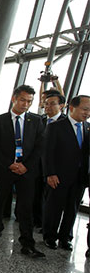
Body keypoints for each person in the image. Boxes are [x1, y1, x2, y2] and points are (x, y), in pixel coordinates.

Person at [0, 85, 45, 258]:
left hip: (26, 170)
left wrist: (25, 165)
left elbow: (40, 146)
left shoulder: (35, 121)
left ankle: (27, 241)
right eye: (23, 100)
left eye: (30, 101)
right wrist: (9, 164)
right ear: (14, 99)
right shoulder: (0, 120)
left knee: (26, 206)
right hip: (5, 169)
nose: (26, 104)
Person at [42, 95, 90, 251]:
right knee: (54, 207)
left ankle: (65, 238)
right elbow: (47, 153)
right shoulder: (56, 127)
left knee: (72, 208)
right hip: (58, 176)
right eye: (85, 109)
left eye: (89, 110)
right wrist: (50, 173)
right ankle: (50, 236)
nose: (87, 113)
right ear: (71, 108)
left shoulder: (87, 128)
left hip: (80, 177)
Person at [32, 91, 66, 228]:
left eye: (52, 104)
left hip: (54, 168)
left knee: (50, 199)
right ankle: (36, 220)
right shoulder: (40, 121)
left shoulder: (65, 123)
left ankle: (47, 224)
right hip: (37, 164)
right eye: (46, 104)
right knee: (36, 194)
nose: (48, 107)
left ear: (61, 106)